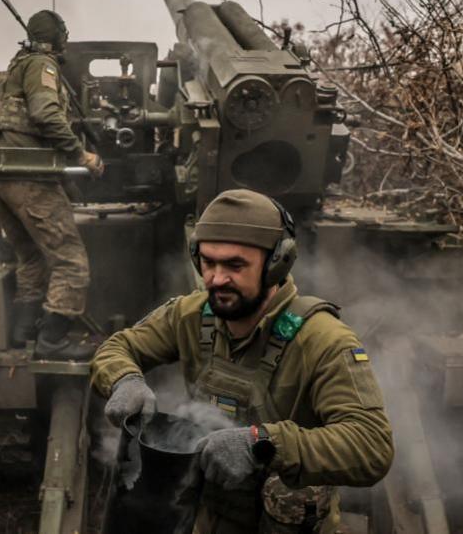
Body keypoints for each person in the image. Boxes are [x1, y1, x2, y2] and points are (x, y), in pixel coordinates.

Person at [90, 189, 394, 533]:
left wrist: (262, 444)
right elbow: (118, 347)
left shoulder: (324, 339)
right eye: (208, 262)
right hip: (206, 514)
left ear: (276, 263)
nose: (217, 279)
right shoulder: (191, 315)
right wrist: (124, 379)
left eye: (235, 265)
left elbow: (372, 446)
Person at [0, 10, 103, 358]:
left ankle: (23, 331)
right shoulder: (42, 67)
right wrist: (82, 156)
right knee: (71, 262)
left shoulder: (10, 72)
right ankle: (53, 341)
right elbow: (46, 114)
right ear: (58, 38)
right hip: (28, 177)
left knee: (30, 257)